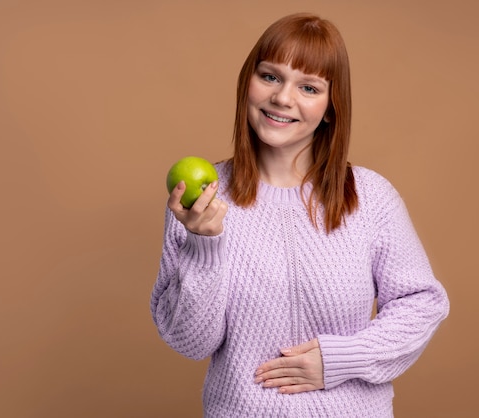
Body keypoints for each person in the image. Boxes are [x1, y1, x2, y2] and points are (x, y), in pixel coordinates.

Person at [150, 13, 449, 417]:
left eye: (308, 87)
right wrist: (204, 245)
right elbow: (190, 342)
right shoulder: (202, 201)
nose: (283, 98)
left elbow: (422, 302)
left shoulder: (371, 197)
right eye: (271, 77)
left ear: (329, 107)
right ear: (248, 83)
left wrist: (343, 358)